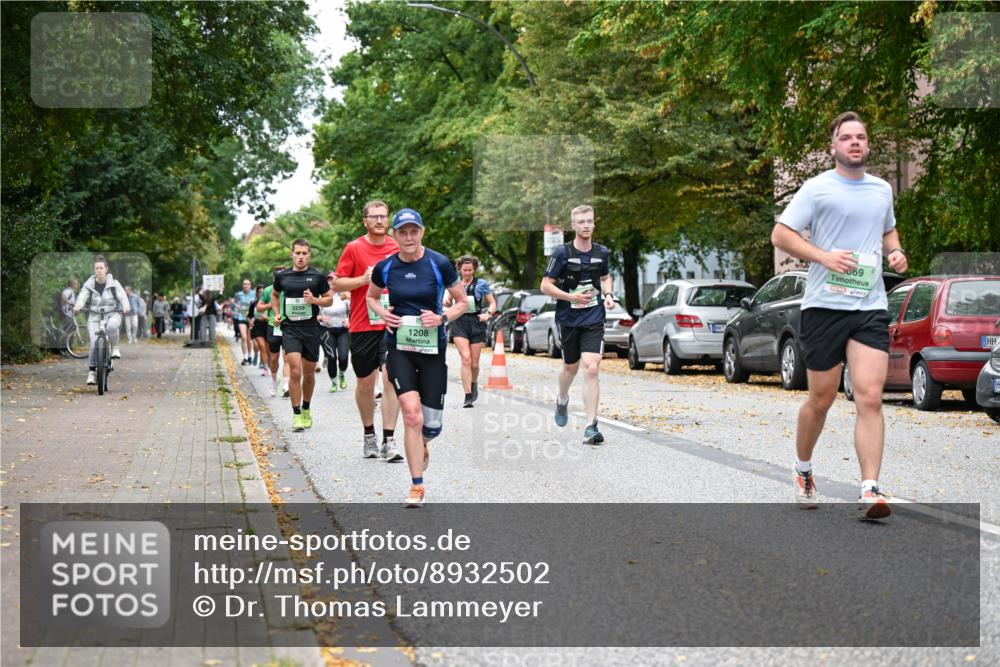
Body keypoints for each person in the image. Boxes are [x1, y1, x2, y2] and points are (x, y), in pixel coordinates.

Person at [771, 110, 908, 520]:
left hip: (869, 306)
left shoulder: (882, 190)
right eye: (846, 137)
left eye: (861, 137)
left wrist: (894, 251)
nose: (854, 142)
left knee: (869, 396)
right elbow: (781, 235)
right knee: (822, 398)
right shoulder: (817, 189)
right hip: (823, 306)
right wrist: (824, 257)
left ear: (868, 145)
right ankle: (803, 468)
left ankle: (869, 488)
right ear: (833, 147)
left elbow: (887, 230)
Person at [367, 208, 467, 507]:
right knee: (411, 413)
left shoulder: (439, 264)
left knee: (431, 425)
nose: (408, 237)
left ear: (421, 232)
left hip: (432, 349)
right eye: (402, 232)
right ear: (394, 236)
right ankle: (416, 486)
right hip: (399, 347)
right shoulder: (384, 268)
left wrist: (443, 317)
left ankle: (423, 441)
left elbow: (462, 301)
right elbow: (371, 297)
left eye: (413, 231)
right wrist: (384, 314)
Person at [332, 200, 402, 460]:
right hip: (363, 324)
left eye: (384, 216)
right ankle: (369, 435)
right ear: (365, 221)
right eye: (374, 217)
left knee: (391, 378)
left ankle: (390, 439)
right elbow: (337, 283)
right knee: (364, 383)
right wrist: (362, 280)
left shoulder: (397, 248)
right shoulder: (354, 248)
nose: (380, 221)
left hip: (392, 323)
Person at [540, 205, 615, 445]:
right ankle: (562, 399)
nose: (586, 225)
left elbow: (605, 277)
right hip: (569, 318)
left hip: (594, 316)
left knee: (591, 368)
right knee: (569, 368)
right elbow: (545, 285)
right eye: (581, 221)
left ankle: (591, 426)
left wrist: (609, 294)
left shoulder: (601, 252)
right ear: (573, 225)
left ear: (594, 224)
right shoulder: (562, 253)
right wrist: (571, 297)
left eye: (589, 221)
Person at [271, 239, 332, 431]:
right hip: (290, 329)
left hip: (311, 329)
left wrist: (315, 300)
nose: (300, 257)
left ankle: (306, 407)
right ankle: (297, 414)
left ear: (309, 255)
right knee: (295, 370)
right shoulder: (282, 276)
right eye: (297, 253)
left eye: (304, 253)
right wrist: (277, 313)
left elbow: (329, 299)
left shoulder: (317, 276)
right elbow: (274, 295)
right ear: (291, 254)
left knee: (308, 372)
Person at [444, 255, 496, 408]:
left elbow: (492, 303)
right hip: (459, 322)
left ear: (474, 270)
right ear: (459, 270)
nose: (467, 273)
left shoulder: (481, 284)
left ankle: (473, 382)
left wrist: (488, 314)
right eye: (464, 270)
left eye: (470, 270)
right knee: (465, 359)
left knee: (474, 364)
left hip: (476, 322)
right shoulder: (455, 283)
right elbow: (447, 299)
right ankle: (467, 395)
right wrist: (447, 302)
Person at [73, 255, 130, 385]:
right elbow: (82, 297)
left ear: (106, 269)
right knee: (94, 343)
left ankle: (115, 348)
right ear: (94, 270)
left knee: (112, 326)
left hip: (112, 313)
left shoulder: (114, 283)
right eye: (97, 268)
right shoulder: (89, 285)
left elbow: (122, 297)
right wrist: (78, 306)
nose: (99, 270)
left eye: (101, 268)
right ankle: (92, 372)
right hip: (95, 316)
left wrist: (126, 307)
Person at [259, 265, 291, 397]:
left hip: (289, 325)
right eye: (278, 278)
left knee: (287, 357)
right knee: (274, 358)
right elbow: (258, 308)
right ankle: (274, 380)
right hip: (274, 326)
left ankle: (286, 385)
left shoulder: (290, 289)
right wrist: (270, 305)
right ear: (273, 278)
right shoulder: (267, 290)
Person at [318, 277, 351, 392]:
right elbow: (314, 315)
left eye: (333, 283)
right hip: (327, 330)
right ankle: (333, 382)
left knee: (343, 357)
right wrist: (321, 317)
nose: (331, 285)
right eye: (328, 283)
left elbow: (354, 311)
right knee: (331, 357)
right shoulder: (320, 299)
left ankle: (341, 374)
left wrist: (349, 320)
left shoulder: (343, 297)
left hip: (343, 330)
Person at [232, 279, 255, 364]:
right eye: (245, 284)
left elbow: (258, 303)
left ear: (250, 285)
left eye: (248, 284)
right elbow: (234, 302)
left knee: (249, 339)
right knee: (244, 337)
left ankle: (249, 356)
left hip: (250, 318)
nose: (246, 286)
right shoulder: (239, 294)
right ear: (242, 285)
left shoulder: (254, 294)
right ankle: (245, 357)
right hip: (241, 317)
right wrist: (238, 306)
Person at [249, 285, 270, 376]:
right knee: (261, 346)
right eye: (259, 292)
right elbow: (249, 316)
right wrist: (250, 322)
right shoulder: (254, 303)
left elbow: (275, 316)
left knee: (268, 349)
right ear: (257, 293)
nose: (261, 293)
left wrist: (268, 318)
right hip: (257, 326)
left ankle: (270, 365)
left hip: (268, 326)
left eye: (263, 292)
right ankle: (265, 368)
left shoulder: (270, 303)